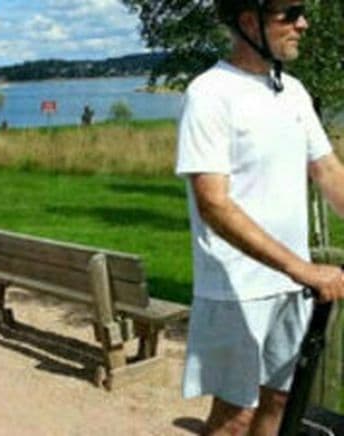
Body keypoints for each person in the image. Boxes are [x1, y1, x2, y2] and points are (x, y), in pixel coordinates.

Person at [176, 1, 344, 434]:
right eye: (290, 13)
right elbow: (213, 203)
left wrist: (298, 272)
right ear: (250, 22)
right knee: (235, 418)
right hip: (237, 288)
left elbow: (327, 170)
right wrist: (300, 266)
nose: (303, 23)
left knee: (281, 399)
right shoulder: (210, 93)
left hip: (292, 284)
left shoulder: (292, 91)